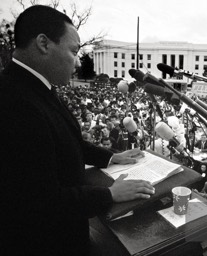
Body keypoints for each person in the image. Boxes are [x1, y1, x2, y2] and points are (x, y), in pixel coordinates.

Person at [0, 6, 155, 256]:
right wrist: (109, 194)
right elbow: (40, 200)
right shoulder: (14, 101)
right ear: (43, 43)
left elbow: (65, 139)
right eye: (74, 51)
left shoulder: (37, 86)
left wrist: (109, 156)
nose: (78, 61)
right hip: (45, 243)